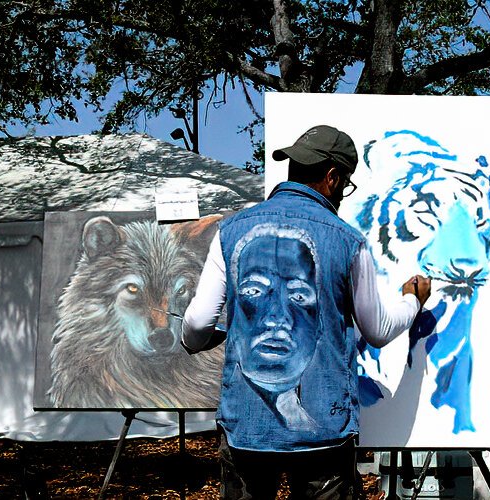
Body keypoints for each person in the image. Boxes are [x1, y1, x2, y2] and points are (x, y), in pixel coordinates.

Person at [182, 125, 432, 499]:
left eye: (298, 297)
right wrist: (412, 299)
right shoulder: (347, 240)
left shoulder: (230, 231)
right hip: (324, 432)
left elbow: (198, 322)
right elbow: (377, 329)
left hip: (246, 429)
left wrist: (197, 341)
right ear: (332, 178)